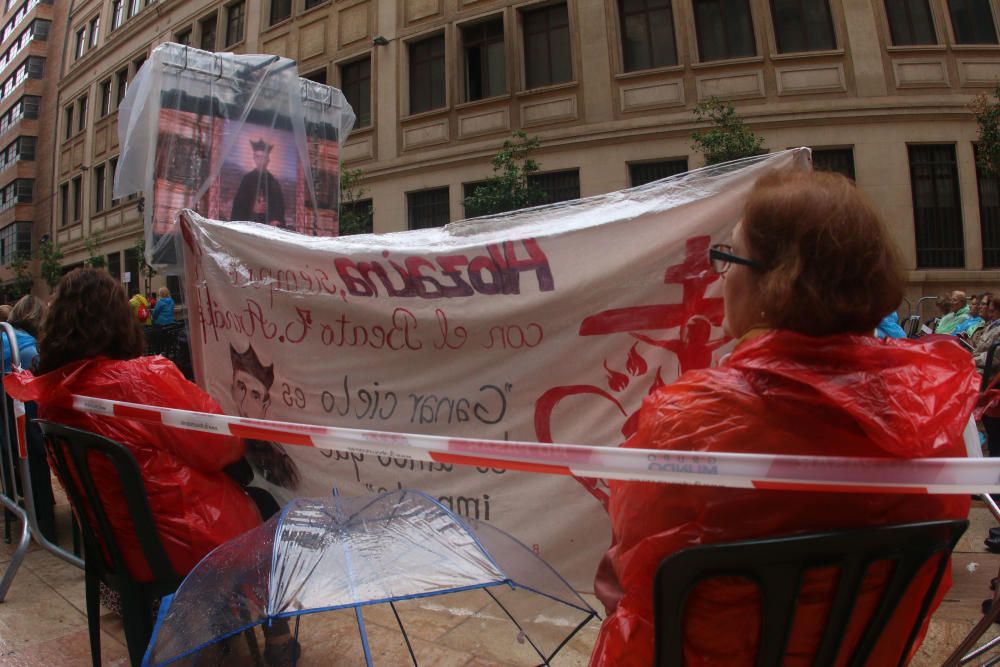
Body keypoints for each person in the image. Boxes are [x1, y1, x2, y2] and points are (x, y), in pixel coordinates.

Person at [589, 171, 977, 667]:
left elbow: (629, 578)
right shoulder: (931, 420)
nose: (721, 276)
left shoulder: (688, 421)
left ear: (776, 280)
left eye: (728, 258)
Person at [3, 269, 260, 580]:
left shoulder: (53, 395)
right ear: (120, 320)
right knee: (265, 502)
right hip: (186, 544)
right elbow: (223, 446)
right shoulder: (144, 378)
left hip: (114, 552)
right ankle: (258, 622)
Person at [0, 295, 55, 541]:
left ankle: (18, 504)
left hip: (6, 432)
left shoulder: (6, 337)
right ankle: (46, 521)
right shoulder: (26, 348)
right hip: (26, 432)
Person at [231, 138, 286, 227]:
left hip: (268, 229)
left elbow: (279, 207)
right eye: (257, 156)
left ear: (268, 159)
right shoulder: (247, 180)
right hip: (249, 227)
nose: (260, 160)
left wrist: (274, 218)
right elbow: (238, 206)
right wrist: (253, 208)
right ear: (254, 158)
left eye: (263, 157)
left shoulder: (273, 182)